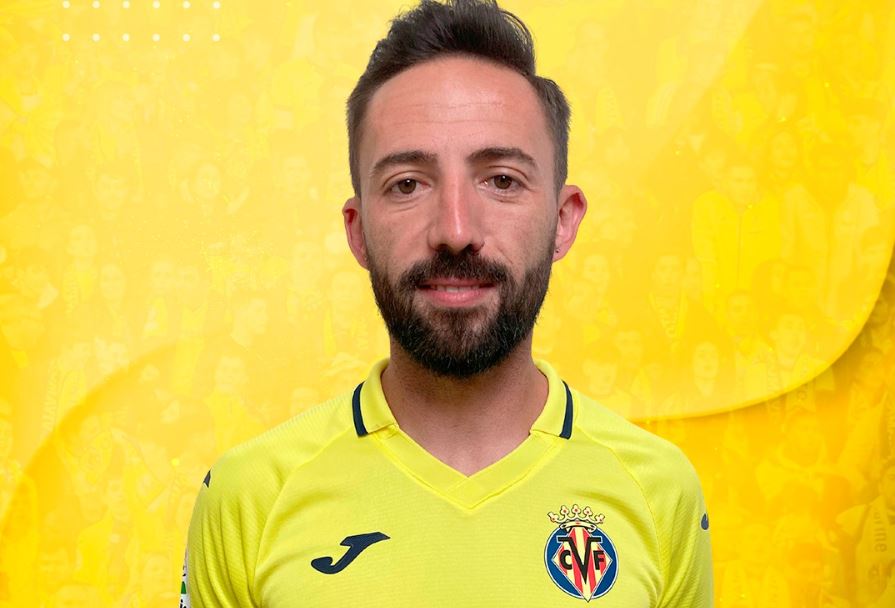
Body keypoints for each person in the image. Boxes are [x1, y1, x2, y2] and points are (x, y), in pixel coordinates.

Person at [183, 1, 713, 606]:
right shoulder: (249, 496)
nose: (455, 230)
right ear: (358, 231)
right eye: (407, 184)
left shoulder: (658, 491)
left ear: (563, 221)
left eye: (502, 180)